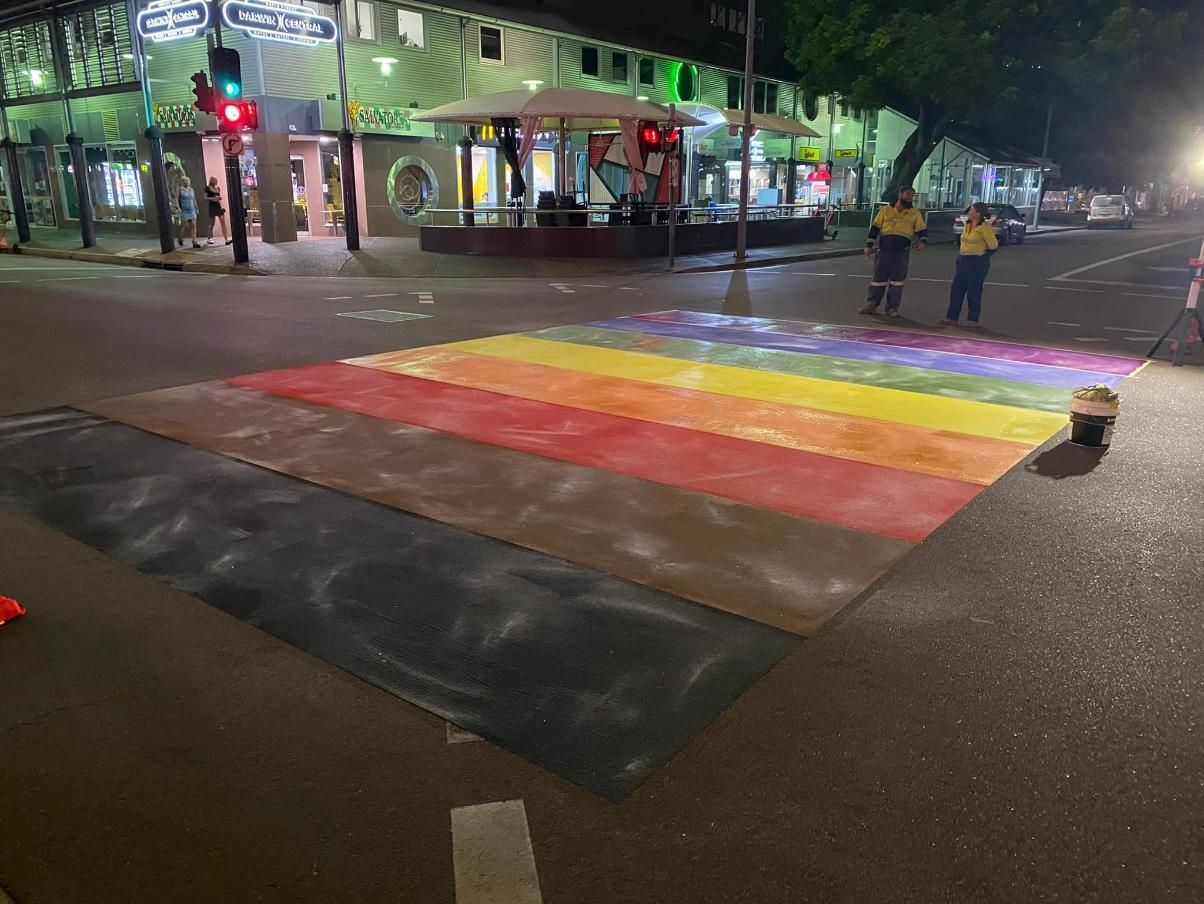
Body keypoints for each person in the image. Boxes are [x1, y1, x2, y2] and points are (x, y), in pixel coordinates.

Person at [860, 186, 928, 317]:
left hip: (902, 251)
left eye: (912, 195)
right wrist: (868, 246)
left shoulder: (915, 213)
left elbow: (921, 229)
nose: (909, 197)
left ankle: (892, 308)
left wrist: (923, 242)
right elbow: (875, 228)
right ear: (900, 194)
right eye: (907, 194)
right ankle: (872, 304)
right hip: (884, 249)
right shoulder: (885, 210)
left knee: (897, 281)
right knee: (878, 279)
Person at [940, 202, 998, 327]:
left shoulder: (984, 227)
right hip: (962, 260)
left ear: (978, 213)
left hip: (977, 262)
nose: (969, 213)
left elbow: (993, 246)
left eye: (971, 210)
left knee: (974, 291)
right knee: (957, 289)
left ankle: (972, 319)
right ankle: (952, 317)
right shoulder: (968, 225)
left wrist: (981, 256)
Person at [204, 176, 231, 245]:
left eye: (216, 180)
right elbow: (205, 197)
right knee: (212, 223)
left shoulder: (218, 188)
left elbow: (219, 197)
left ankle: (226, 239)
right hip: (212, 206)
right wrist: (213, 198)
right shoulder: (208, 188)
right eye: (214, 180)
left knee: (223, 222)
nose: (216, 182)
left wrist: (219, 198)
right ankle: (209, 238)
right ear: (211, 181)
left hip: (218, 205)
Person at [178, 177, 201, 249]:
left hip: (192, 209)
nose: (187, 182)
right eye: (185, 181)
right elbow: (176, 199)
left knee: (194, 226)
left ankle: (194, 242)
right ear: (182, 182)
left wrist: (196, 207)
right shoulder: (180, 190)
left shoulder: (191, 190)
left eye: (188, 181)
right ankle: (181, 238)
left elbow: (194, 199)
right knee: (185, 225)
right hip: (184, 210)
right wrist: (178, 208)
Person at [164, 161, 183, 247]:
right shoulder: (168, 179)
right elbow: (173, 194)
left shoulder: (175, 178)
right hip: (172, 202)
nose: (175, 170)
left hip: (176, 201)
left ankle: (179, 236)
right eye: (173, 168)